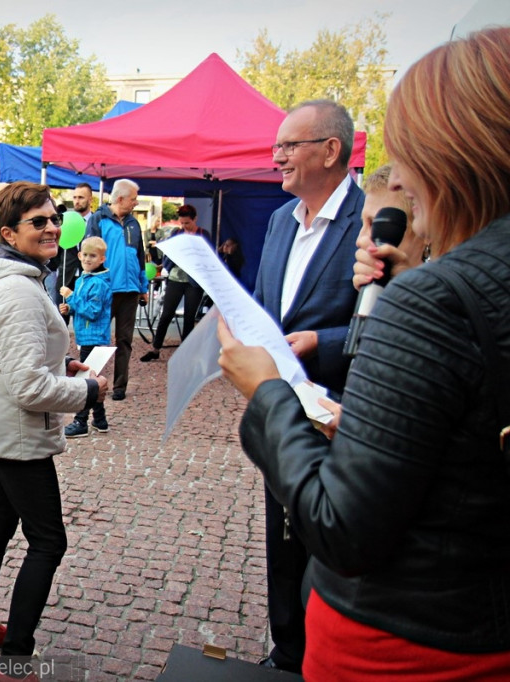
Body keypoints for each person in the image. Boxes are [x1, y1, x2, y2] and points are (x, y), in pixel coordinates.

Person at [217, 27, 510, 681]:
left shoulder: (432, 293)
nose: (399, 179)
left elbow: (346, 529)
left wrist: (267, 395)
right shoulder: (276, 223)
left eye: (408, 155)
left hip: (409, 639)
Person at [0, 181, 107, 681]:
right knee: (48, 542)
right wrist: (87, 392)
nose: (51, 227)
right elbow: (28, 387)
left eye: (53, 218)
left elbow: (12, 358)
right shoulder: (18, 289)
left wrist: (63, 360)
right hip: (17, 436)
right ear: (7, 233)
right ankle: (16, 656)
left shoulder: (16, 278)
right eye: (38, 222)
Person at [250, 99, 364, 673]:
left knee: (330, 541)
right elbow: (270, 308)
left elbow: (393, 321)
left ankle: (323, 652)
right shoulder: (278, 220)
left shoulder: (373, 220)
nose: (277, 157)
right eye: (277, 147)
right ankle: (287, 649)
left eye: (289, 146)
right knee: (282, 531)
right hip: (283, 407)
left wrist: (324, 341)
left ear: (330, 150)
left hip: (344, 412)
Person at [85, 178, 146, 401]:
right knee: (98, 338)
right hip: (106, 290)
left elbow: (140, 256)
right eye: (133, 199)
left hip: (130, 290)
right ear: (120, 198)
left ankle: (120, 386)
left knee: (124, 340)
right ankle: (91, 382)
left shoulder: (134, 224)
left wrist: (143, 286)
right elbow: (88, 252)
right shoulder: (98, 219)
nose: (135, 203)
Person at [140, 204, 214, 361]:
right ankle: (155, 348)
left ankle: (185, 352)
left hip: (194, 281)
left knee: (189, 317)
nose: (184, 226)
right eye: (182, 223)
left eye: (187, 223)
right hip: (175, 278)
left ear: (195, 219)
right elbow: (169, 252)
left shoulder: (203, 235)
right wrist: (165, 266)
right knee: (166, 314)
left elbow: (209, 257)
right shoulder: (177, 233)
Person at [60, 236, 113, 438]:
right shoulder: (83, 279)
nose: (88, 259)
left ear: (101, 259)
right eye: (86, 255)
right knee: (92, 377)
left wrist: (72, 296)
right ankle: (100, 420)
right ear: (79, 255)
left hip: (95, 337)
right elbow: (82, 308)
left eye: (93, 256)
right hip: (85, 335)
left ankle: (80, 421)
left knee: (86, 379)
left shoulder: (98, 283)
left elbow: (92, 311)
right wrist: (70, 308)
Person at [53, 183, 92, 324]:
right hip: (66, 277)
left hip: (87, 278)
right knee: (59, 323)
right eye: (75, 197)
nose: (77, 201)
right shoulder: (65, 220)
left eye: (81, 197)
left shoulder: (96, 222)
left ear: (90, 200)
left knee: (84, 322)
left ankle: (83, 347)